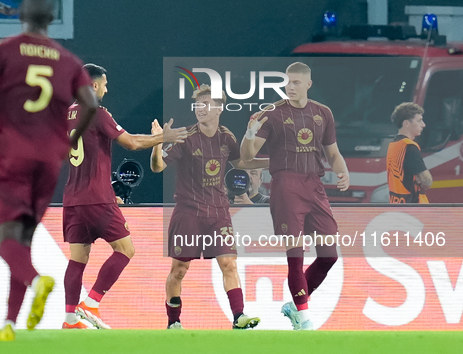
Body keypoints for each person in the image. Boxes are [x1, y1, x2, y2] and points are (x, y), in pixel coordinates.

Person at [0, 0, 98, 341]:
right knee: (24, 238)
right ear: (52, 18)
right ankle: (10, 324)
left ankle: (35, 280)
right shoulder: (69, 61)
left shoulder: (1, 50)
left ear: (20, 16)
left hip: (13, 152)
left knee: (5, 242)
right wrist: (70, 141)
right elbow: (88, 103)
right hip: (48, 159)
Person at [62, 63, 188, 329]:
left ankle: (70, 319)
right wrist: (163, 137)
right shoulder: (96, 112)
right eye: (104, 84)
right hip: (96, 196)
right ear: (93, 85)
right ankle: (91, 303)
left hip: (73, 198)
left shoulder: (69, 113)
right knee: (125, 249)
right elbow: (130, 142)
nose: (107, 89)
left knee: (77, 259)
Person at [240, 62, 349, 331]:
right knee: (296, 254)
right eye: (288, 82)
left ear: (308, 84)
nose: (290, 86)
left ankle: (295, 303)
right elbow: (247, 156)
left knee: (329, 255)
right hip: (286, 185)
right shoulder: (272, 113)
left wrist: (342, 172)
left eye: (296, 82)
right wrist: (250, 133)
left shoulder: (323, 113)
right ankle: (302, 318)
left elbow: (333, 153)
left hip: (315, 186)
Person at [151, 84, 268, 330]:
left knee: (229, 264)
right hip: (188, 212)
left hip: (218, 213)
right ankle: (174, 322)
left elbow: (241, 162)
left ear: (219, 108)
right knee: (179, 269)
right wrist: (158, 142)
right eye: (197, 104)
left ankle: (239, 317)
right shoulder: (184, 137)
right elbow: (157, 167)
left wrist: (278, 161)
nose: (200, 109)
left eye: (206, 104)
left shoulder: (227, 137)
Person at [387, 102, 432, 204]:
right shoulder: (410, 147)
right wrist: (421, 180)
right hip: (413, 205)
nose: (423, 125)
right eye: (419, 121)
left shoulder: (393, 145)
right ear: (406, 123)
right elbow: (427, 181)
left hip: (396, 203)